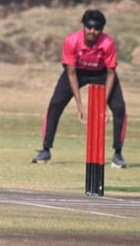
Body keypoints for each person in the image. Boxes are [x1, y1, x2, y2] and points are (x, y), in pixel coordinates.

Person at [32, 9, 127, 168]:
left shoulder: (107, 43)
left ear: (101, 29)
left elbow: (111, 74)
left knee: (119, 108)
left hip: (102, 73)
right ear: (83, 26)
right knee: (55, 104)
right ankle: (45, 150)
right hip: (77, 72)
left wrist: (103, 104)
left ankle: (118, 154)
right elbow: (71, 72)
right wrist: (79, 105)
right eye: (89, 27)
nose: (92, 31)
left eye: (97, 28)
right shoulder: (71, 41)